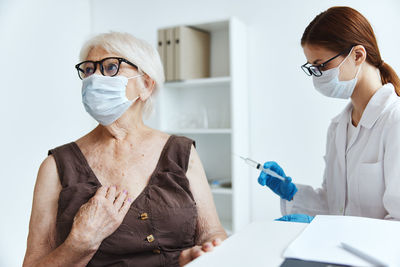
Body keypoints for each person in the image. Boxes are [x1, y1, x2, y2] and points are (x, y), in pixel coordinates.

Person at [23, 32, 226, 267]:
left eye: (110, 67)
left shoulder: (182, 153)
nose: (95, 78)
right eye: (88, 70)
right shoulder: (55, 167)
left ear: (146, 85)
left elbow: (211, 233)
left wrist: (206, 253)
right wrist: (79, 242)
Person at [258, 6, 400, 222]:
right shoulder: (337, 127)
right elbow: (335, 205)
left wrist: (328, 232)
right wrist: (292, 193)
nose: (317, 76)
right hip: (335, 253)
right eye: (312, 68)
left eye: (321, 65)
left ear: (358, 55)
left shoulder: (394, 120)